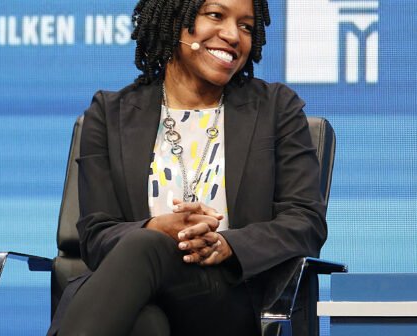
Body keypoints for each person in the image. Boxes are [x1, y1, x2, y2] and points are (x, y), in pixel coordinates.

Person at [49, 0, 327, 334]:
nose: (233, 35)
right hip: (131, 297)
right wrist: (158, 226)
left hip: (226, 301)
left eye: (246, 26)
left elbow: (305, 223)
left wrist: (226, 245)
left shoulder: (276, 110)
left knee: (144, 245)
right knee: (145, 323)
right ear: (174, 20)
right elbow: (95, 236)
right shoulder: (109, 115)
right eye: (215, 15)